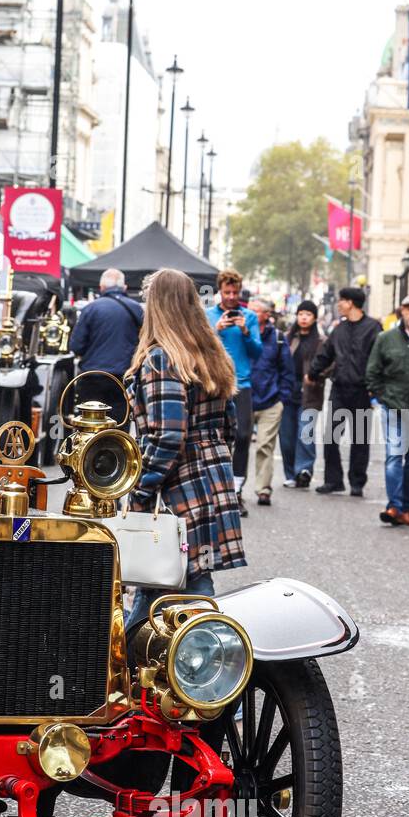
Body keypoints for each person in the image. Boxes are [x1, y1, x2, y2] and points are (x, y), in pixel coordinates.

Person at [126, 268, 246, 627]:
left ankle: (206, 670)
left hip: (178, 489)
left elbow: (168, 435)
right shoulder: (211, 353)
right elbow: (230, 426)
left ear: (156, 306)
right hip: (212, 480)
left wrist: (140, 490)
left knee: (175, 589)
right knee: (180, 583)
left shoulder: (163, 359)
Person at [307, 286, 382, 496]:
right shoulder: (339, 329)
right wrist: (313, 373)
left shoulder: (374, 328)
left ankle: (357, 482)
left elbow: (381, 359)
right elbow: (326, 353)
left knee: (360, 439)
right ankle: (333, 480)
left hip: (361, 390)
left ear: (350, 303)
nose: (338, 304)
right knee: (331, 437)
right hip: (339, 389)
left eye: (341, 300)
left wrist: (374, 389)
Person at [207, 268, 261, 516]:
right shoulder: (208, 316)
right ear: (219, 292)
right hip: (217, 383)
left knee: (242, 435)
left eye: (235, 293)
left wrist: (246, 332)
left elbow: (257, 352)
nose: (230, 297)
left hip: (242, 384)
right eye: (227, 292)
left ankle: (237, 490)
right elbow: (202, 348)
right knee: (215, 437)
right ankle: (217, 490)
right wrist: (216, 329)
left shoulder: (249, 317)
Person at [366, 294, 409, 527]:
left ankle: (406, 509)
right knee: (393, 456)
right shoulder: (385, 338)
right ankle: (394, 506)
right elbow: (372, 371)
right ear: (402, 311)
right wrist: (381, 396)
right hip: (393, 406)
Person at [67, 267, 143, 424]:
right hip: (123, 379)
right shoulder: (137, 309)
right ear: (124, 288)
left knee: (89, 428)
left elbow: (76, 346)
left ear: (101, 288)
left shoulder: (91, 308)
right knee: (118, 429)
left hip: (92, 377)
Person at [248, 298, 295, 505]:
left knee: (265, 446)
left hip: (270, 401)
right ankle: (235, 487)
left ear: (267, 315)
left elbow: (287, 370)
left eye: (255, 311)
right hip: (243, 399)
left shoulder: (277, 337)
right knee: (237, 445)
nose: (249, 314)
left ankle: (263, 489)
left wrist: (282, 398)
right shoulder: (241, 333)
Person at [280, 299, 323, 487]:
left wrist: (315, 375)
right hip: (288, 390)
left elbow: (329, 363)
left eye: (308, 315)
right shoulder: (287, 338)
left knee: (305, 433)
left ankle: (304, 471)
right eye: (301, 314)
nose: (304, 318)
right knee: (287, 436)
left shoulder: (321, 342)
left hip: (310, 392)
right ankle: (290, 474)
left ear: (314, 319)